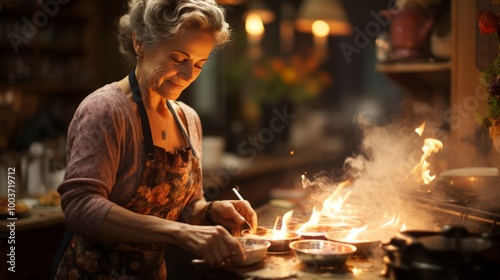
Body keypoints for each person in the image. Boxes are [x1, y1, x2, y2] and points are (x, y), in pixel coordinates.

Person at [51, 0, 258, 278]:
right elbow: (79, 207)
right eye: (178, 59)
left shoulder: (187, 119)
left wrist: (210, 211)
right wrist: (179, 232)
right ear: (140, 43)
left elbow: (185, 208)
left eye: (199, 64)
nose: (188, 75)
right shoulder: (107, 110)